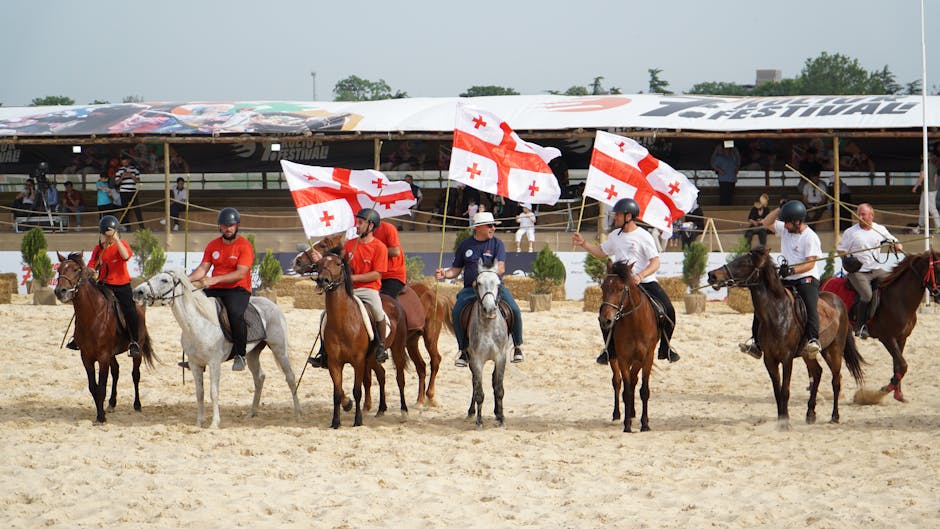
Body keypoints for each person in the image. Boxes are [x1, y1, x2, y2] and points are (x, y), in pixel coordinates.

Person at [572, 198, 679, 364]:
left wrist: (640, 275)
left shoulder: (644, 236)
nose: (615, 218)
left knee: (668, 310)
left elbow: (655, 262)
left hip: (645, 282)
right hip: (622, 285)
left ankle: (665, 348)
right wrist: (583, 243)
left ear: (629, 216)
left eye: (618, 215)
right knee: (604, 314)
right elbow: (601, 252)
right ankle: (609, 350)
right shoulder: (615, 235)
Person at [436, 211, 524, 367]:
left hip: (495, 290)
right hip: (471, 290)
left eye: (493, 226)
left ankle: (517, 346)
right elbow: (456, 269)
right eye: (490, 226)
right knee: (456, 312)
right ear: (479, 227)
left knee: (515, 310)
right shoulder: (465, 245)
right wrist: (444, 273)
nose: (493, 228)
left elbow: (501, 268)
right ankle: (463, 350)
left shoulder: (497, 244)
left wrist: (483, 278)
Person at [739, 200, 822, 360]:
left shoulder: (810, 237)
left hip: (806, 278)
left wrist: (793, 269)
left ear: (798, 222)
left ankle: (813, 340)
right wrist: (779, 209)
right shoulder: (785, 230)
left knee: (810, 305)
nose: (784, 225)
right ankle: (756, 343)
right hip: (787, 277)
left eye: (787, 222)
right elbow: (766, 222)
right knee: (763, 303)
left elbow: (810, 263)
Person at [308, 208, 390, 368]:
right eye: (357, 222)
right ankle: (323, 351)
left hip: (368, 289)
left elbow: (377, 274)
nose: (357, 226)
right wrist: (321, 260)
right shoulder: (350, 245)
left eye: (360, 223)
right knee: (325, 315)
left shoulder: (379, 247)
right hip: (347, 289)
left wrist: (353, 278)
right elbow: (336, 264)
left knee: (379, 312)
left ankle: (380, 347)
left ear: (371, 226)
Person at [187, 208, 253, 372]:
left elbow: (240, 273)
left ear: (237, 225)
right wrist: (186, 280)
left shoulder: (244, 245)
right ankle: (196, 354)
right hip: (215, 288)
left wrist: (214, 279)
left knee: (235, 313)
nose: (227, 229)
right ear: (220, 227)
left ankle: (240, 354)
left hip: (238, 289)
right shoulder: (213, 245)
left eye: (230, 225)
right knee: (193, 309)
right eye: (224, 226)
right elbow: (203, 268)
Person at [836, 203, 902, 339]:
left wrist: (897, 245)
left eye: (863, 214)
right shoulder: (851, 232)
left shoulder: (879, 229)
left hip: (876, 269)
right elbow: (841, 249)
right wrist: (847, 259)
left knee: (895, 282)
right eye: (858, 213)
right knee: (866, 295)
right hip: (858, 272)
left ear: (871, 216)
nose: (859, 216)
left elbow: (894, 241)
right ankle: (859, 326)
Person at [85, 215, 142, 357]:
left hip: (122, 285)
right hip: (104, 285)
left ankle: (134, 341)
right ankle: (78, 337)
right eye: (106, 233)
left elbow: (125, 256)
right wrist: (91, 270)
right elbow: (92, 265)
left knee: (130, 310)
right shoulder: (98, 249)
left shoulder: (121, 244)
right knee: (87, 306)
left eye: (110, 232)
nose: (107, 235)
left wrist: (116, 240)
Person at [913, 143, 940, 234]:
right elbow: (935, 178)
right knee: (923, 207)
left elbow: (922, 176)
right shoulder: (933, 166)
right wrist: (934, 187)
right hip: (932, 189)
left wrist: (916, 186)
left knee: (931, 208)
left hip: (928, 190)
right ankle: (920, 226)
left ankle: (938, 226)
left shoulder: (923, 165)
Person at [115, 156, 143, 230]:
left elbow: (138, 181)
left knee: (137, 209)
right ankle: (127, 227)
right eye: (123, 162)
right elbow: (117, 183)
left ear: (129, 161)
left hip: (133, 192)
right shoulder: (119, 171)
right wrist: (122, 177)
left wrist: (131, 176)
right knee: (125, 210)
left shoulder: (135, 170)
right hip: (123, 192)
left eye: (126, 162)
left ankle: (141, 227)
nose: (124, 163)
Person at [711, 140, 740, 206]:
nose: (727, 150)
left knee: (730, 196)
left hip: (732, 179)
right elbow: (713, 165)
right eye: (726, 149)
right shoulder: (719, 157)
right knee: (723, 196)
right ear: (723, 149)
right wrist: (719, 170)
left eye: (729, 149)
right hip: (723, 179)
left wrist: (736, 169)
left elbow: (737, 164)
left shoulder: (733, 157)